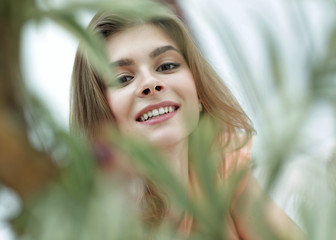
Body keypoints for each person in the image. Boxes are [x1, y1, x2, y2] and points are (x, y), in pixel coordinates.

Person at [70, 0, 305, 239]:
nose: (151, 83)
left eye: (167, 66)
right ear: (101, 115)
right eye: (123, 79)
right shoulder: (102, 222)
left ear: (198, 91)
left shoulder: (220, 162)